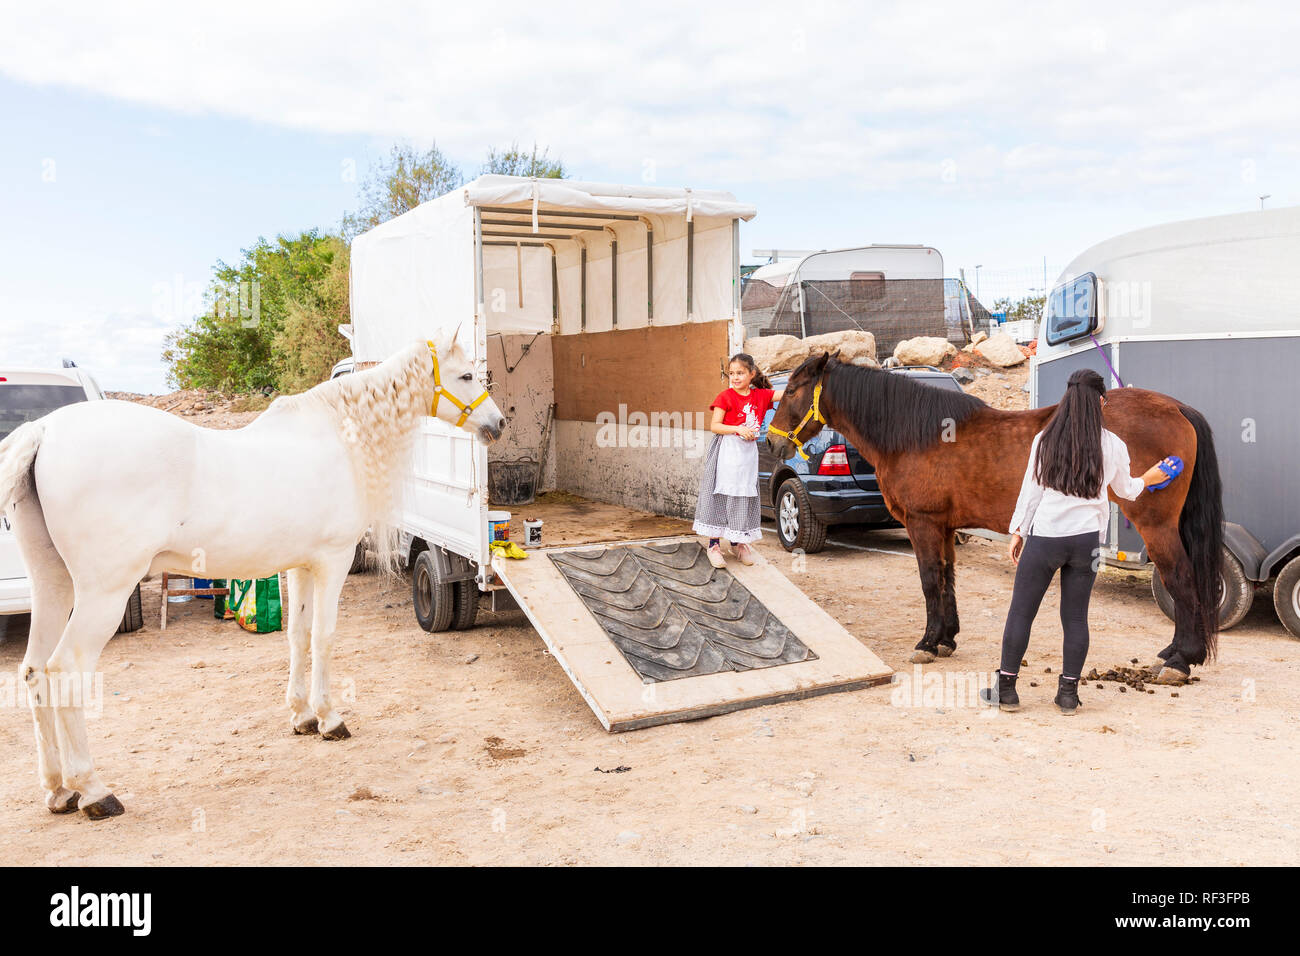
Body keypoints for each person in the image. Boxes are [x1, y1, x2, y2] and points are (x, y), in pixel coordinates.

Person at [982, 369, 1178, 715]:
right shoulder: (1114, 445)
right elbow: (1128, 490)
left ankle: (1007, 690)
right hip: (1085, 542)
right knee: (1075, 618)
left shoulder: (1044, 440)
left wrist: (1018, 531)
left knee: (1021, 613)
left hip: (1044, 539)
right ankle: (1068, 695)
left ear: (1068, 399)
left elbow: (1032, 492)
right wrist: (1153, 476)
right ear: (1101, 402)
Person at [692, 353, 784, 569]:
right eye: (731, 373)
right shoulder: (725, 397)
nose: (735, 377)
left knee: (742, 494)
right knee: (722, 495)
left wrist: (814, 378)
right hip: (727, 451)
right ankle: (714, 545)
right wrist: (737, 429)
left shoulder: (762, 396)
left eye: (740, 373)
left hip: (747, 455)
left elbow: (789, 393)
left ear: (752, 374)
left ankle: (737, 541)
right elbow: (715, 425)